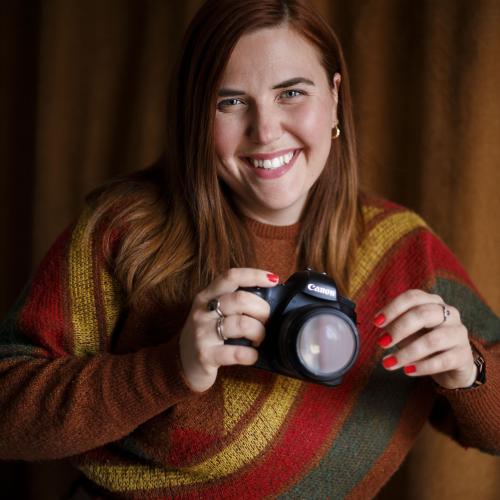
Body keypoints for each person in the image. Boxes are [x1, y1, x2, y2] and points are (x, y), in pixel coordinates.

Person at [0, 0, 498, 498]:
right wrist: (168, 368)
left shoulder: (400, 250)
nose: (265, 131)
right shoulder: (127, 228)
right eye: (230, 101)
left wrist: (469, 370)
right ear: (197, 113)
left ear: (335, 96)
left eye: (292, 93)